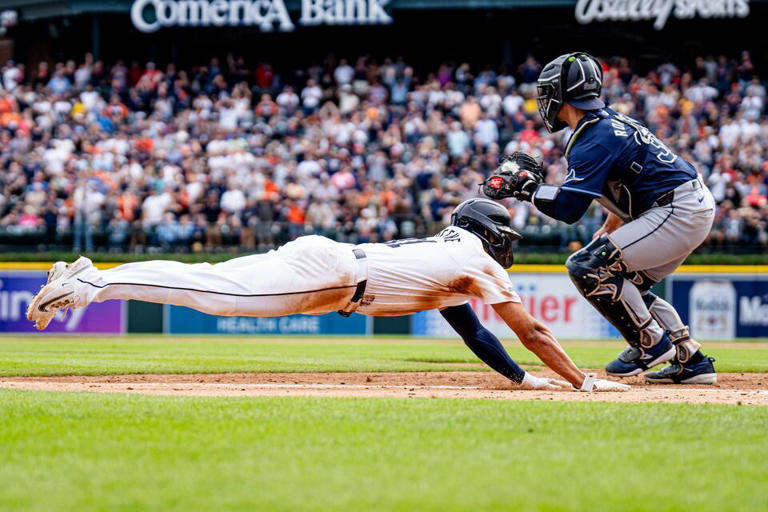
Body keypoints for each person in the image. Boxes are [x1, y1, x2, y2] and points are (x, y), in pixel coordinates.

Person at [28, 199, 626, 393]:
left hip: (333, 266)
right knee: (217, 294)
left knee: (211, 280)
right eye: (507, 236)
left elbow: (475, 332)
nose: (510, 246)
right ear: (490, 234)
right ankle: (94, 282)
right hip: (336, 276)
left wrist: (522, 381)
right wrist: (581, 380)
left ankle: (95, 276)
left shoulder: (454, 258)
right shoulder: (472, 259)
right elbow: (533, 331)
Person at [482, 52, 717, 385]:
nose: (545, 100)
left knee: (586, 266)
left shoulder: (593, 137)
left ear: (562, 94)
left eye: (548, 92)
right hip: (682, 206)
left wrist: (528, 189)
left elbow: (568, 209)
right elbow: (625, 185)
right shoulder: (606, 124)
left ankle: (648, 343)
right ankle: (690, 360)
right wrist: (610, 228)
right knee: (627, 282)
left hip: (675, 211)